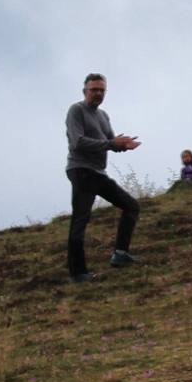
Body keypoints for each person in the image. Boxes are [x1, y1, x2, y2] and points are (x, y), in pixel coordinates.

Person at [65, 73, 141, 282]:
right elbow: (77, 142)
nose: (98, 93)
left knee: (131, 206)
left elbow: (110, 142)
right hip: (81, 170)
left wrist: (123, 145)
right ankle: (78, 273)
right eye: (94, 90)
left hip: (98, 173)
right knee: (81, 219)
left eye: (101, 90)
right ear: (85, 91)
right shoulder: (76, 110)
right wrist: (111, 144)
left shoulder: (103, 116)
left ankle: (120, 254)